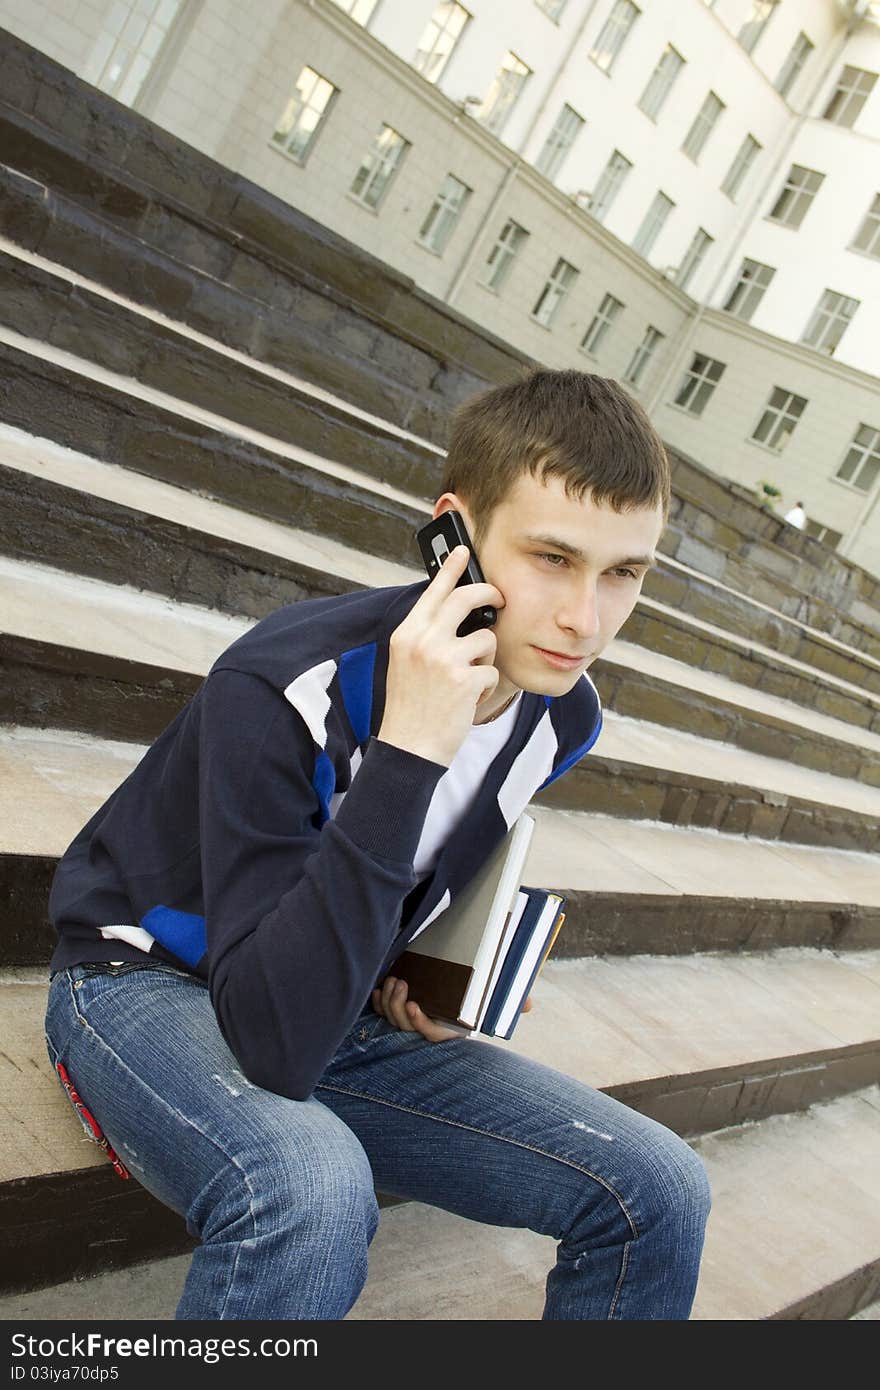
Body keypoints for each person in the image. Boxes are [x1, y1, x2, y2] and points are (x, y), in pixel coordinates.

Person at [44, 368, 711, 1321]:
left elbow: (409, 871)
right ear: (457, 534)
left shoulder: (561, 719)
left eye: (623, 573)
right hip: (141, 983)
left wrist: (408, 965)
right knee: (312, 1193)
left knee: (660, 1190)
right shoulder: (285, 681)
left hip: (325, 994)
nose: (585, 619)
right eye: (552, 559)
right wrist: (410, 751)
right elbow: (273, 1043)